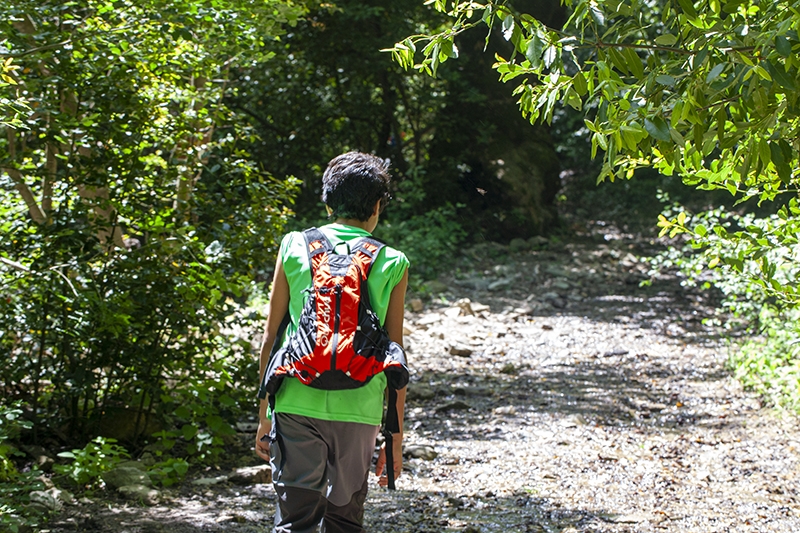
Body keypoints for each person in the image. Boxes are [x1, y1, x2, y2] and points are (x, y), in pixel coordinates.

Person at [255, 151, 409, 533]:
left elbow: (271, 337)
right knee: (344, 521)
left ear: (327, 203)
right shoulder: (392, 261)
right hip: (359, 407)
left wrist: (264, 415)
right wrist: (395, 437)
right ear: (377, 207)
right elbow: (396, 354)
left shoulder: (293, 245)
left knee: (294, 521)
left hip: (294, 397)